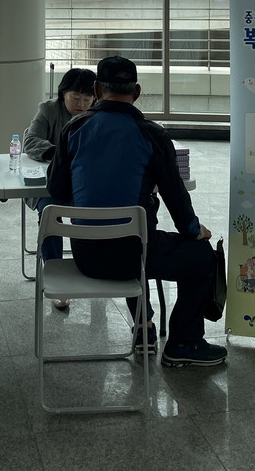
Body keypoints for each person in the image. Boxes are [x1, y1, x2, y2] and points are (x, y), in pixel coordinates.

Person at [48, 55, 227, 369]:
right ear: (138, 91)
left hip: (86, 256)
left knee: (140, 238)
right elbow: (175, 194)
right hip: (136, 258)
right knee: (201, 256)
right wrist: (194, 229)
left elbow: (57, 190)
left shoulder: (74, 128)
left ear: (97, 90)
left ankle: (147, 326)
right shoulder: (152, 134)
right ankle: (184, 343)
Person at [24, 67, 96, 309]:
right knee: (49, 213)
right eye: (76, 97)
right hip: (53, 183)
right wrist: (61, 154)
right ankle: (56, 277)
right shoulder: (49, 110)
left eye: (87, 99)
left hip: (86, 183)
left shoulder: (97, 115)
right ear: (63, 92)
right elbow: (30, 141)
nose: (81, 104)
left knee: (90, 214)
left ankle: (90, 266)